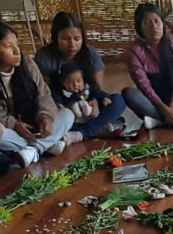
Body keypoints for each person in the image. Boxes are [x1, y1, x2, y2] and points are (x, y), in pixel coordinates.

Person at [0, 21, 75, 168]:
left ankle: (32, 149)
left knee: (67, 115)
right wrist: (13, 124)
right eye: (9, 46)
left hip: (33, 125)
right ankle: (44, 145)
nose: (17, 51)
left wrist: (45, 118)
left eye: (17, 44)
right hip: (8, 132)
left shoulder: (28, 65)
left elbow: (44, 96)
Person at [34, 12, 126, 142]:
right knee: (54, 118)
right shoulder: (45, 57)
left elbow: (97, 88)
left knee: (118, 101)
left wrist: (96, 102)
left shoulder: (90, 54)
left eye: (77, 39)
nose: (72, 45)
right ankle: (97, 128)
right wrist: (61, 107)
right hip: (63, 108)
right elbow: (45, 93)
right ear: (55, 38)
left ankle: (82, 132)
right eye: (65, 39)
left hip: (89, 103)